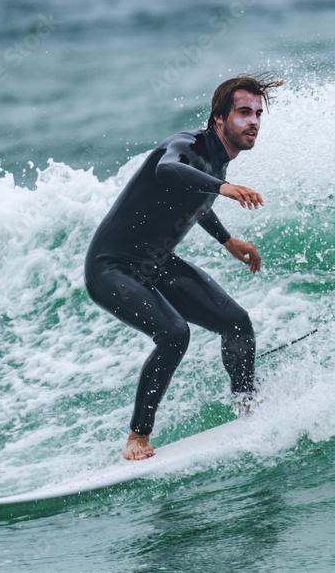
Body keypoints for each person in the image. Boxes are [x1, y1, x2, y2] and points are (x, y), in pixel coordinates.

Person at [84, 73, 284, 460]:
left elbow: (195, 199)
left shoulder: (217, 161)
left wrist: (227, 240)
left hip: (155, 263)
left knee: (236, 322)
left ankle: (247, 405)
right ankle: (136, 438)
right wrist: (221, 187)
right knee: (174, 333)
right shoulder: (186, 146)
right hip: (111, 267)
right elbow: (167, 171)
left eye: (258, 114)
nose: (254, 121)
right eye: (244, 112)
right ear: (218, 119)